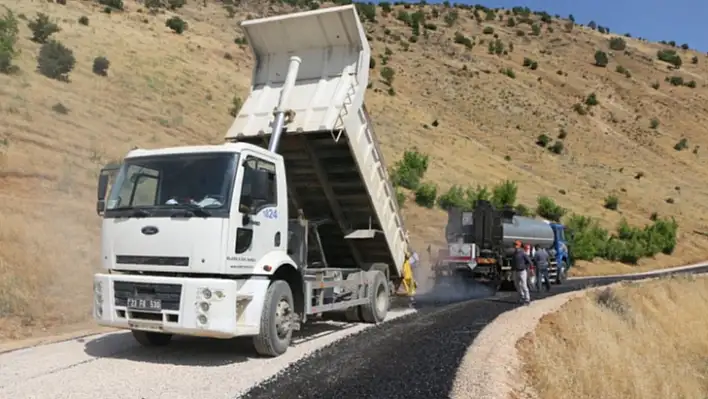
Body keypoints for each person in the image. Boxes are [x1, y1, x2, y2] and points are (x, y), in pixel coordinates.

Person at [511, 240, 532, 305]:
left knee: (524, 285)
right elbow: (513, 262)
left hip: (522, 271)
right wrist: (512, 269)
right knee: (517, 285)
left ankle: (527, 299)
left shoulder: (523, 253)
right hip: (516, 271)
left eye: (516, 245)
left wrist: (525, 267)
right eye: (514, 245)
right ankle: (521, 296)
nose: (515, 246)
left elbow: (529, 261)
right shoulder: (514, 253)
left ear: (519, 246)